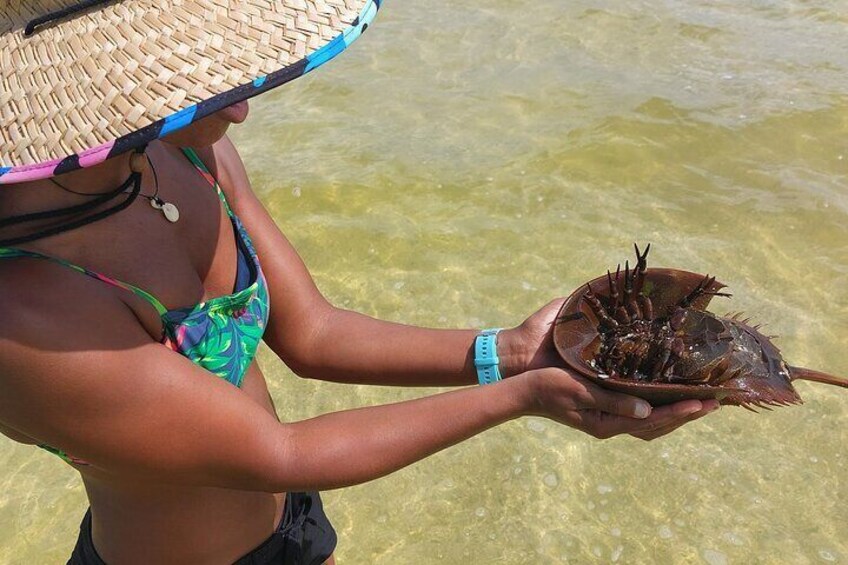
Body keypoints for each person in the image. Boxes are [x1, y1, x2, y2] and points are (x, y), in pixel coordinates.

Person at [0, 2, 719, 563]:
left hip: (294, 525)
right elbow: (278, 450)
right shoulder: (28, 310)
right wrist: (523, 397)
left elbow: (314, 333)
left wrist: (512, 349)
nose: (241, 105)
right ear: (105, 82)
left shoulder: (185, 154)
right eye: (197, 81)